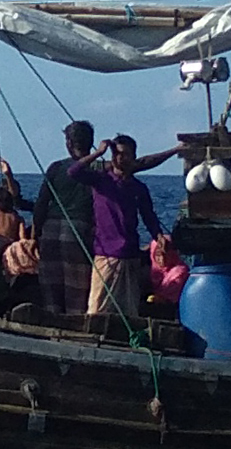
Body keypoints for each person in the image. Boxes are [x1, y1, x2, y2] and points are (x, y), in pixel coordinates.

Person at [70, 132, 176, 319]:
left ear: (133, 157)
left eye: (126, 154)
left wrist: (158, 236)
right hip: (106, 255)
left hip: (129, 254)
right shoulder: (102, 180)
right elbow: (73, 172)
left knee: (128, 309)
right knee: (97, 308)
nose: (121, 158)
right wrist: (98, 152)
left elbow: (149, 216)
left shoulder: (138, 188)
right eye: (117, 154)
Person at [29, 121, 100, 317]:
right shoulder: (98, 168)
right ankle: (76, 324)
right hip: (79, 231)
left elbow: (41, 203)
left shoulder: (56, 168)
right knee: (77, 289)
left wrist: (35, 234)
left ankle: (53, 323)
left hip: (51, 230)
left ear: (69, 142)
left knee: (51, 287)